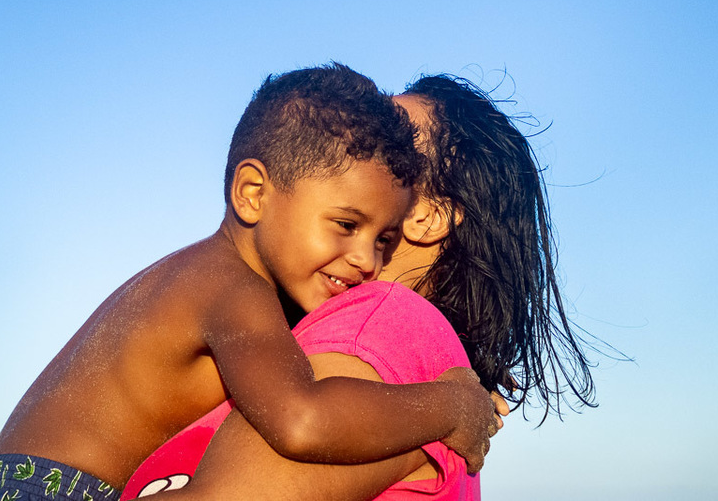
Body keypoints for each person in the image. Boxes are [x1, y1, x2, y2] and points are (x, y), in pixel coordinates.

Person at [0, 66, 502, 501]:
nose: (365, 259)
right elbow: (302, 419)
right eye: (346, 225)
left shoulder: (206, 278)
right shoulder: (234, 292)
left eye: (384, 238)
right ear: (253, 193)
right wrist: (449, 408)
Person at [121, 74, 598, 501]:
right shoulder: (389, 346)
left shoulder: (379, 320)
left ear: (426, 215)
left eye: (396, 136)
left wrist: (453, 407)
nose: (367, 127)